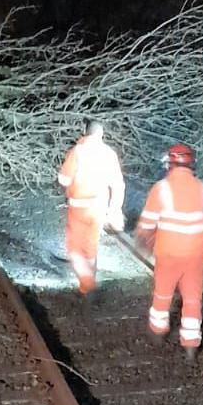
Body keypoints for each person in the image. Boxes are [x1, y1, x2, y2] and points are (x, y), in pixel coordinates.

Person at [135, 143, 203, 361]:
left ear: (169, 163)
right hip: (196, 252)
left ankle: (159, 332)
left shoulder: (162, 188)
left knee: (163, 293)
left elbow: (148, 221)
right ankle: (190, 345)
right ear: (191, 164)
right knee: (192, 298)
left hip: (169, 251)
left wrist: (143, 238)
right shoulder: (202, 188)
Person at [57, 119, 125, 295]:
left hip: (79, 207)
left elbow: (64, 179)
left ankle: (87, 285)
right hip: (99, 207)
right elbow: (118, 185)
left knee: (74, 247)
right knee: (91, 246)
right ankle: (89, 282)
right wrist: (114, 210)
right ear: (101, 134)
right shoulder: (109, 153)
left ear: (85, 133)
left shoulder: (78, 151)